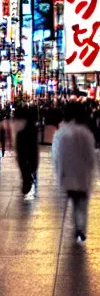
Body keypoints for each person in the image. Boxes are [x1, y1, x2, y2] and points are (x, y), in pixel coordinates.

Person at [52, 103, 96, 243]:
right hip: (82, 175)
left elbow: (56, 155)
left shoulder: (61, 133)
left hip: (67, 175)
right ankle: (80, 228)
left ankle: (75, 226)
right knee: (81, 203)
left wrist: (59, 172)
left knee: (69, 202)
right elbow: (90, 156)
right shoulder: (85, 133)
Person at [15, 107, 39, 200]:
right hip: (30, 149)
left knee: (24, 166)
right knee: (26, 166)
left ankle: (27, 181)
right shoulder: (31, 125)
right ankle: (28, 180)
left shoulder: (22, 127)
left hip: (24, 148)